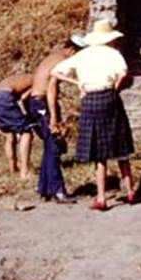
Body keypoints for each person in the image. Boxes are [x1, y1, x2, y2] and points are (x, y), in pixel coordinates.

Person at [52, 19, 136, 211]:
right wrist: (115, 86)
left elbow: (56, 72)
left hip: (90, 99)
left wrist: (77, 83)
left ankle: (101, 198)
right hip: (109, 96)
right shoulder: (113, 53)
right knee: (121, 147)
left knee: (99, 153)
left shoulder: (83, 55)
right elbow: (123, 72)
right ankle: (130, 191)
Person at [27, 34, 87, 203]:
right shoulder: (60, 62)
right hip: (42, 104)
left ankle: (44, 188)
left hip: (37, 103)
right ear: (71, 50)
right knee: (54, 146)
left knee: (49, 146)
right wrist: (53, 117)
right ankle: (57, 190)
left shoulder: (53, 57)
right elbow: (51, 89)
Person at [0, 74, 37, 179]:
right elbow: (24, 98)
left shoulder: (22, 78)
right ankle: (25, 172)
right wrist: (29, 116)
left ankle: (13, 168)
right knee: (27, 132)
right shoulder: (36, 80)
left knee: (9, 134)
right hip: (6, 96)